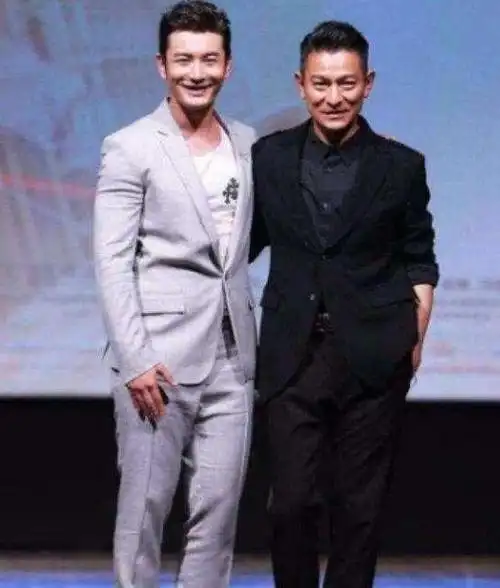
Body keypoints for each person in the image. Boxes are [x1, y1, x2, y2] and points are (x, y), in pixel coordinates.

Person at [250, 20, 439, 588]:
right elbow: (241, 244)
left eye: (347, 83)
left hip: (374, 354)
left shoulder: (401, 166)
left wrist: (415, 337)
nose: (334, 97)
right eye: (322, 83)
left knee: (360, 510)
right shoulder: (268, 158)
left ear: (368, 84)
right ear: (301, 84)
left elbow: (419, 257)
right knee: (290, 505)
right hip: (292, 353)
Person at [93, 2, 257, 586]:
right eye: (183, 59)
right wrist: (135, 358)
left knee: (219, 516)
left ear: (227, 66)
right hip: (156, 361)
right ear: (161, 65)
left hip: (233, 358)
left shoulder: (247, 142)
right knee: (144, 511)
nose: (197, 72)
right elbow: (112, 261)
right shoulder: (130, 146)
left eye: (209, 60)